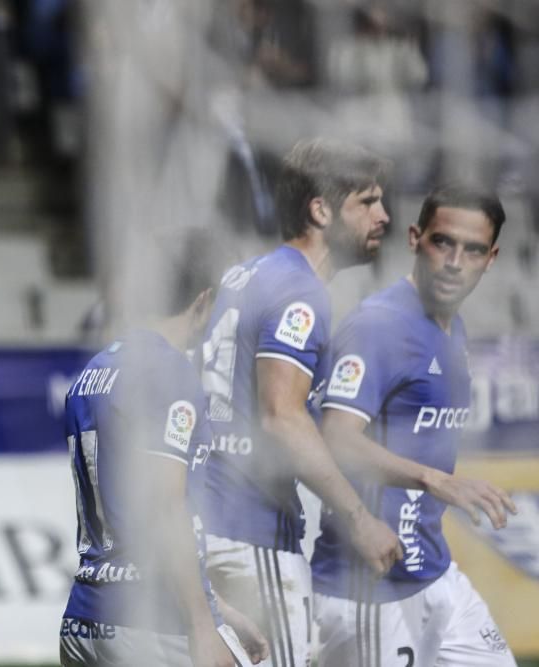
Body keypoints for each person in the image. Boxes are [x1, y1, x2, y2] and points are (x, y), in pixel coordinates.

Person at [196, 138, 404, 666]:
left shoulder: (245, 276)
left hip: (204, 521)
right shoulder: (300, 293)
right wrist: (358, 518)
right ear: (320, 210)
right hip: (252, 532)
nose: (384, 215)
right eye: (368, 202)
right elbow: (282, 416)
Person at [311, 183, 518, 666]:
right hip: (369, 589)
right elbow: (335, 437)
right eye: (442, 241)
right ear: (414, 238)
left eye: (472, 250)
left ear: (491, 258)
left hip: (433, 573)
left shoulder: (453, 327)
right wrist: (435, 480)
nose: (454, 261)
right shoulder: (379, 326)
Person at [60, 230, 268, 667]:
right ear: (202, 302)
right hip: (152, 624)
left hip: (85, 620)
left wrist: (220, 610)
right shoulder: (171, 371)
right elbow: (165, 506)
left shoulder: (93, 372)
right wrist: (202, 624)